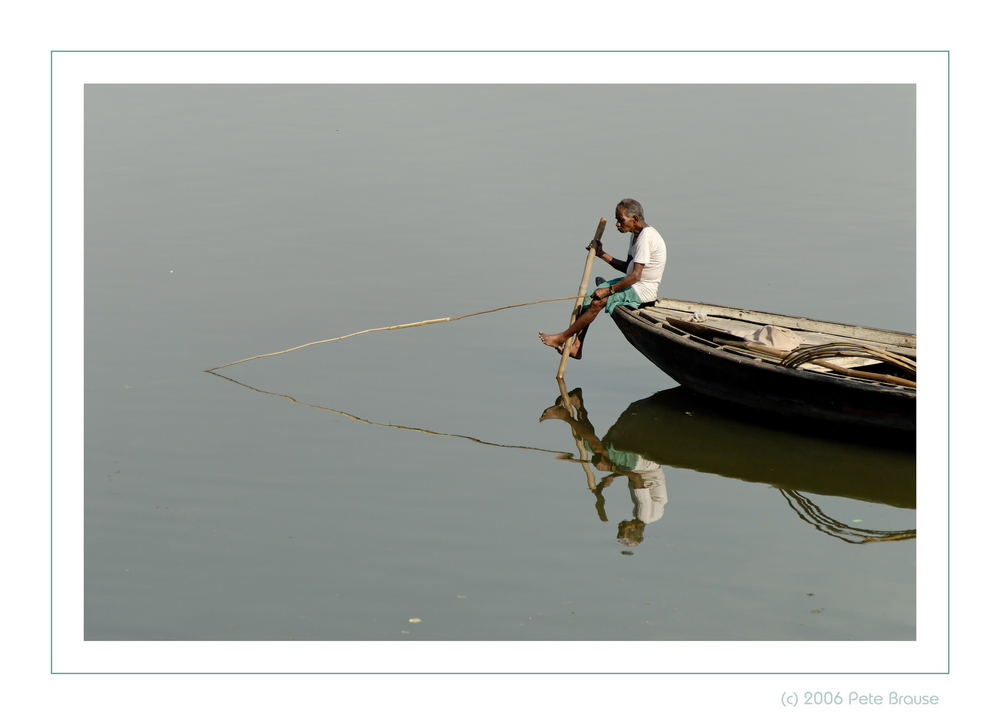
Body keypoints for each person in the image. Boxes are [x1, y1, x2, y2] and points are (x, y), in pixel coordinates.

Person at [538, 198, 667, 359]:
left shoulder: (646, 237)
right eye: (617, 220)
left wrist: (609, 290)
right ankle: (577, 346)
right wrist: (601, 254)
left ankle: (562, 338)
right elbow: (627, 268)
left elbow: (635, 276)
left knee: (598, 301)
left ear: (634, 219)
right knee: (588, 299)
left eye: (621, 220)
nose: (617, 224)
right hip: (634, 283)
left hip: (643, 290)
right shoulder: (635, 235)